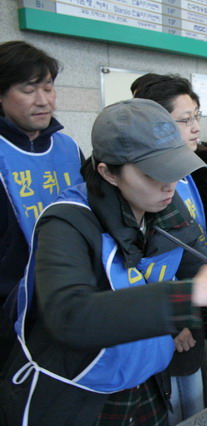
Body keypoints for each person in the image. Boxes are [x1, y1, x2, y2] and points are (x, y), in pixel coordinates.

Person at [0, 98, 207, 425]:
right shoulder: (67, 222)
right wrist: (187, 296)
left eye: (174, 169)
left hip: (145, 375)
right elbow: (69, 315)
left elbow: (203, 269)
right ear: (109, 173)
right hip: (80, 392)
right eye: (153, 174)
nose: (168, 185)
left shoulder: (165, 208)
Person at [133, 74, 207, 423]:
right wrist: (169, 322)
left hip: (192, 295)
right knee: (172, 401)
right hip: (163, 312)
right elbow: (134, 262)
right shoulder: (143, 183)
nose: (195, 128)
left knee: (196, 391)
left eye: (197, 117)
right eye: (184, 120)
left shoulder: (191, 168)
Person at [0, 41, 84, 372]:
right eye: (28, 89)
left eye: (48, 87)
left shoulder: (69, 147)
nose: (43, 100)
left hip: (65, 299)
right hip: (10, 307)